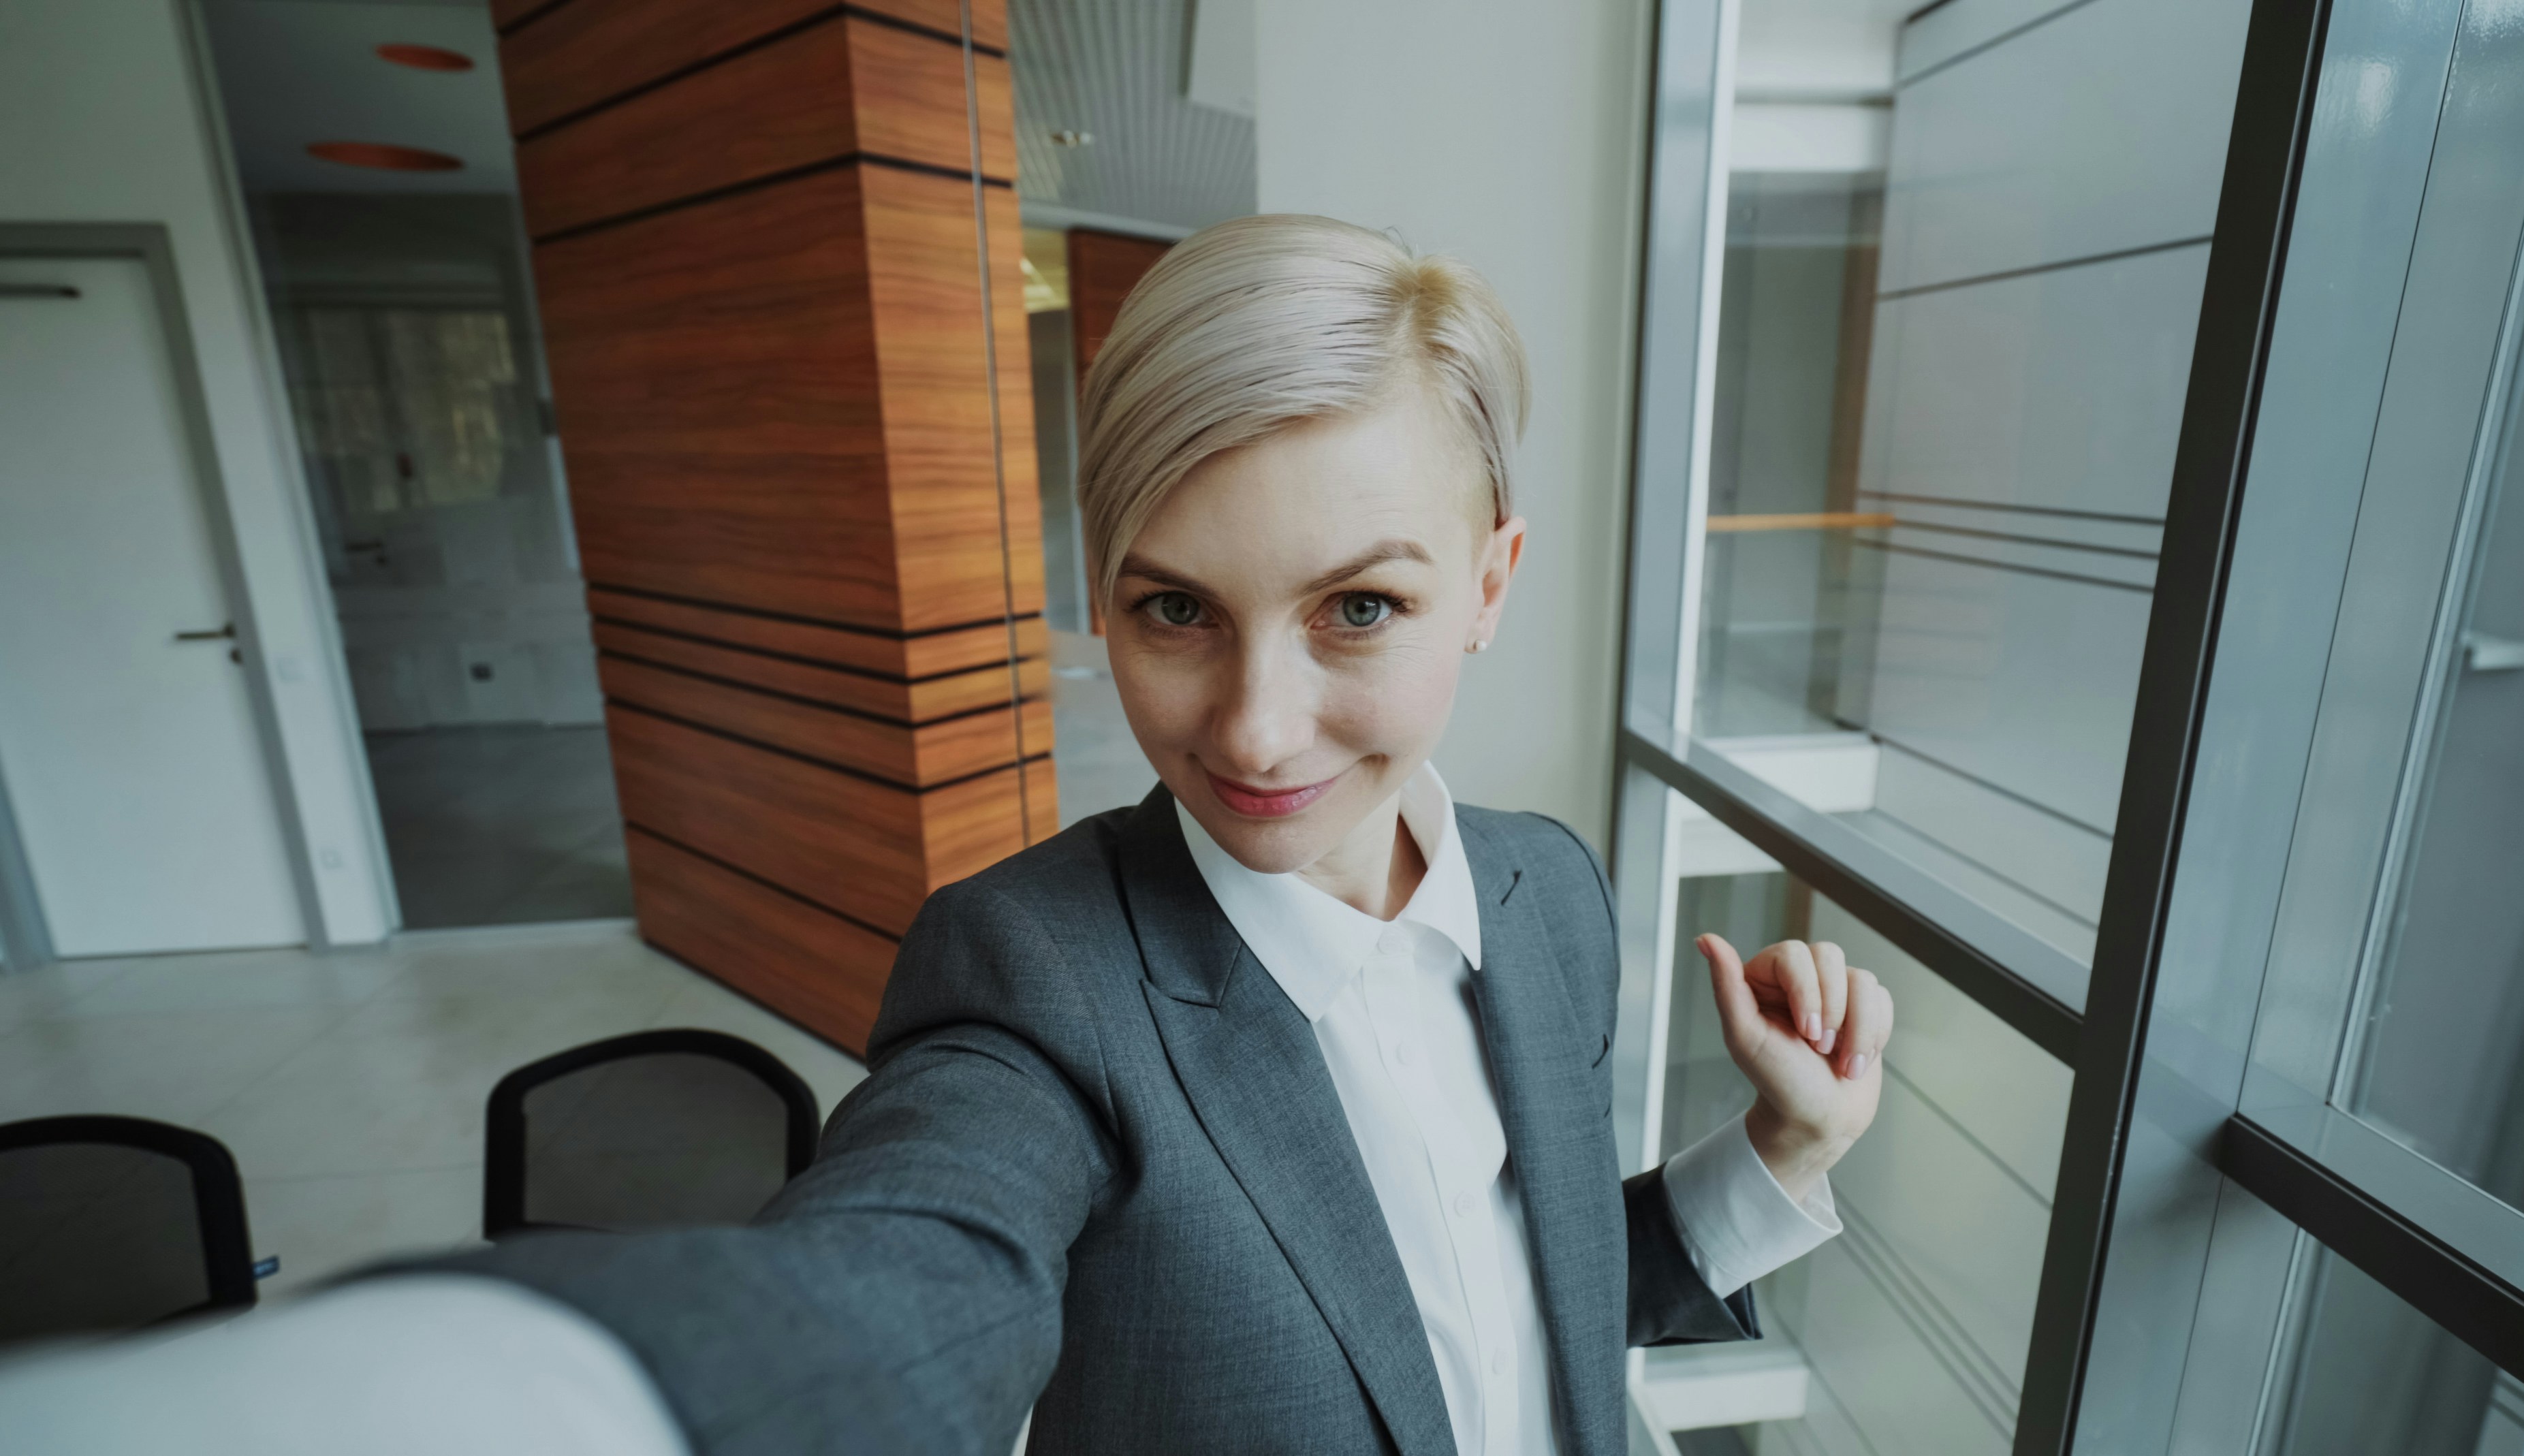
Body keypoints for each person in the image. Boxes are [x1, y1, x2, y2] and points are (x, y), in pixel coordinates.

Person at [0, 215, 1891, 1456]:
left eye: (1360, 610)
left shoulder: (1551, 895)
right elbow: (885, 1290)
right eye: (1172, 609)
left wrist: (1773, 1154)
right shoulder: (1035, 975)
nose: (1249, 723)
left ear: (1490, 585)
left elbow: (1531, 1293)